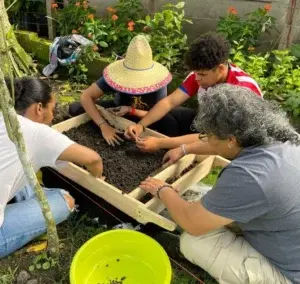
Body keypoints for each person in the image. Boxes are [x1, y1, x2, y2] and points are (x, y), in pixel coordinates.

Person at [140, 84, 300, 284]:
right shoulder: (280, 139)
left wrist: (163, 190)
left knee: (193, 241)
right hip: (286, 232)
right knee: (206, 202)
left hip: (288, 273)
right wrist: (184, 149)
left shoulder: (251, 176)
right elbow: (218, 145)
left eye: (209, 136)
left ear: (232, 140)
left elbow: (192, 223)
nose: (206, 140)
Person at [0, 77, 103, 258]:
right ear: (39, 108)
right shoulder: (37, 133)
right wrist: (98, 178)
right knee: (64, 199)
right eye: (53, 109)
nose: (54, 116)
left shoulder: (4, 116)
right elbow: (94, 159)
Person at [125, 32, 263, 152]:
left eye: (202, 75)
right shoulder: (199, 74)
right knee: (169, 116)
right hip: (209, 125)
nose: (196, 78)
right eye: (195, 73)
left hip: (233, 141)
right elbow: (169, 102)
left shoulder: (242, 91)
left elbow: (216, 138)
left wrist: (162, 143)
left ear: (220, 69)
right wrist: (141, 125)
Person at [68, 35, 174, 145]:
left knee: (170, 124)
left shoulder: (158, 81)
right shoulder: (117, 75)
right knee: (75, 108)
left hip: (145, 118)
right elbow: (86, 96)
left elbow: (157, 113)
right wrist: (104, 126)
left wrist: (130, 110)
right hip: (118, 113)